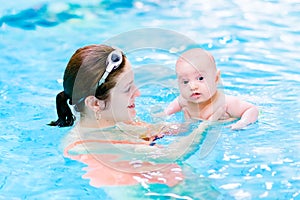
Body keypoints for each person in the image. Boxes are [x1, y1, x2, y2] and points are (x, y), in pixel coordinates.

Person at [49, 44, 221, 199]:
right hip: (145, 192)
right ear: (95, 103)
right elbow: (167, 155)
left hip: (171, 179)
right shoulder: (84, 144)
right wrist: (206, 126)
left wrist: (195, 119)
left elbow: (161, 131)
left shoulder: (121, 120)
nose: (137, 93)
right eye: (127, 89)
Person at [163, 48, 259, 130]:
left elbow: (251, 109)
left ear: (216, 78)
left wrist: (242, 123)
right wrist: (162, 117)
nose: (192, 87)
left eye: (200, 78)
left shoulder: (226, 103)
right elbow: (165, 114)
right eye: (185, 82)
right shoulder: (183, 101)